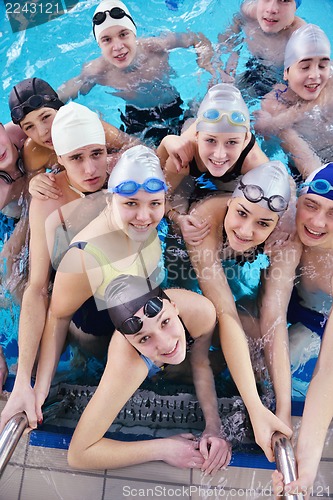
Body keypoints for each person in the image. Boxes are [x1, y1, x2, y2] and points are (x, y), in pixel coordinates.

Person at [15, 143, 168, 428]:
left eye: (154, 204)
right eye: (131, 203)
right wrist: (40, 389)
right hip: (94, 332)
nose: (144, 216)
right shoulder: (85, 257)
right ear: (111, 201)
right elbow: (57, 317)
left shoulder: (144, 226)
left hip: (130, 317)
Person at [0, 101, 111, 424]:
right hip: (66, 269)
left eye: (96, 154)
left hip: (113, 271)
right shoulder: (48, 199)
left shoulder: (123, 172)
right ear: (58, 159)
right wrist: (24, 384)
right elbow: (38, 290)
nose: (90, 170)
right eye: (76, 158)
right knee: (88, 338)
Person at [181, 161, 294, 461]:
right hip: (182, 266)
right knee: (205, 323)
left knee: (258, 337)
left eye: (263, 224)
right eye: (241, 213)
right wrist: (255, 408)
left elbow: (275, 319)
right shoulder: (205, 219)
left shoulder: (287, 239)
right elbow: (224, 312)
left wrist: (284, 411)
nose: (246, 230)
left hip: (237, 268)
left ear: (278, 224)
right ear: (231, 201)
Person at [66, 273, 231, 474]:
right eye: (144, 339)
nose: (166, 343)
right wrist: (163, 449)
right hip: (90, 328)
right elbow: (79, 454)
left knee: (221, 362)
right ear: (129, 340)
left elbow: (200, 363)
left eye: (165, 322)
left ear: (174, 306)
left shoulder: (200, 311)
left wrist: (214, 427)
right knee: (87, 350)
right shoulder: (127, 362)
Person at [57, 0, 216, 145]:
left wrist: (205, 60)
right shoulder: (97, 71)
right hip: (136, 118)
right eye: (107, 40)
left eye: (123, 34)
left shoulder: (156, 47)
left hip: (173, 105)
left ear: (134, 34)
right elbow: (63, 94)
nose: (118, 46)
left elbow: (196, 38)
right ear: (99, 44)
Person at [269, 162, 333, 498]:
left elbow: (327, 374)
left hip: (317, 318)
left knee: (290, 354)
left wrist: (305, 471)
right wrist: (281, 407)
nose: (318, 222)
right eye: (311, 206)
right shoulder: (289, 217)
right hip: (293, 298)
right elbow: (273, 317)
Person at [157, 83, 269, 245]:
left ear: (245, 139)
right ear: (197, 135)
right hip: (190, 163)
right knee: (178, 230)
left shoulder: (252, 160)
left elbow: (284, 184)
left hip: (232, 172)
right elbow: (159, 195)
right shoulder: (184, 155)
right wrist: (178, 219)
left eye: (231, 142)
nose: (219, 154)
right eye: (210, 140)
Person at [254, 24, 332, 180]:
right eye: (305, 67)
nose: (315, 75)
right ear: (286, 72)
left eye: (322, 66)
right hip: (310, 174)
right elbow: (267, 151)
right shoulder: (275, 103)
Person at [217, 0, 305, 98]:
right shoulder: (248, 12)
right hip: (253, 67)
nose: (271, 9)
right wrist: (233, 54)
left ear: (295, 7)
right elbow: (231, 33)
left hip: (282, 82)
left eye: (284, 0)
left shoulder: (302, 38)